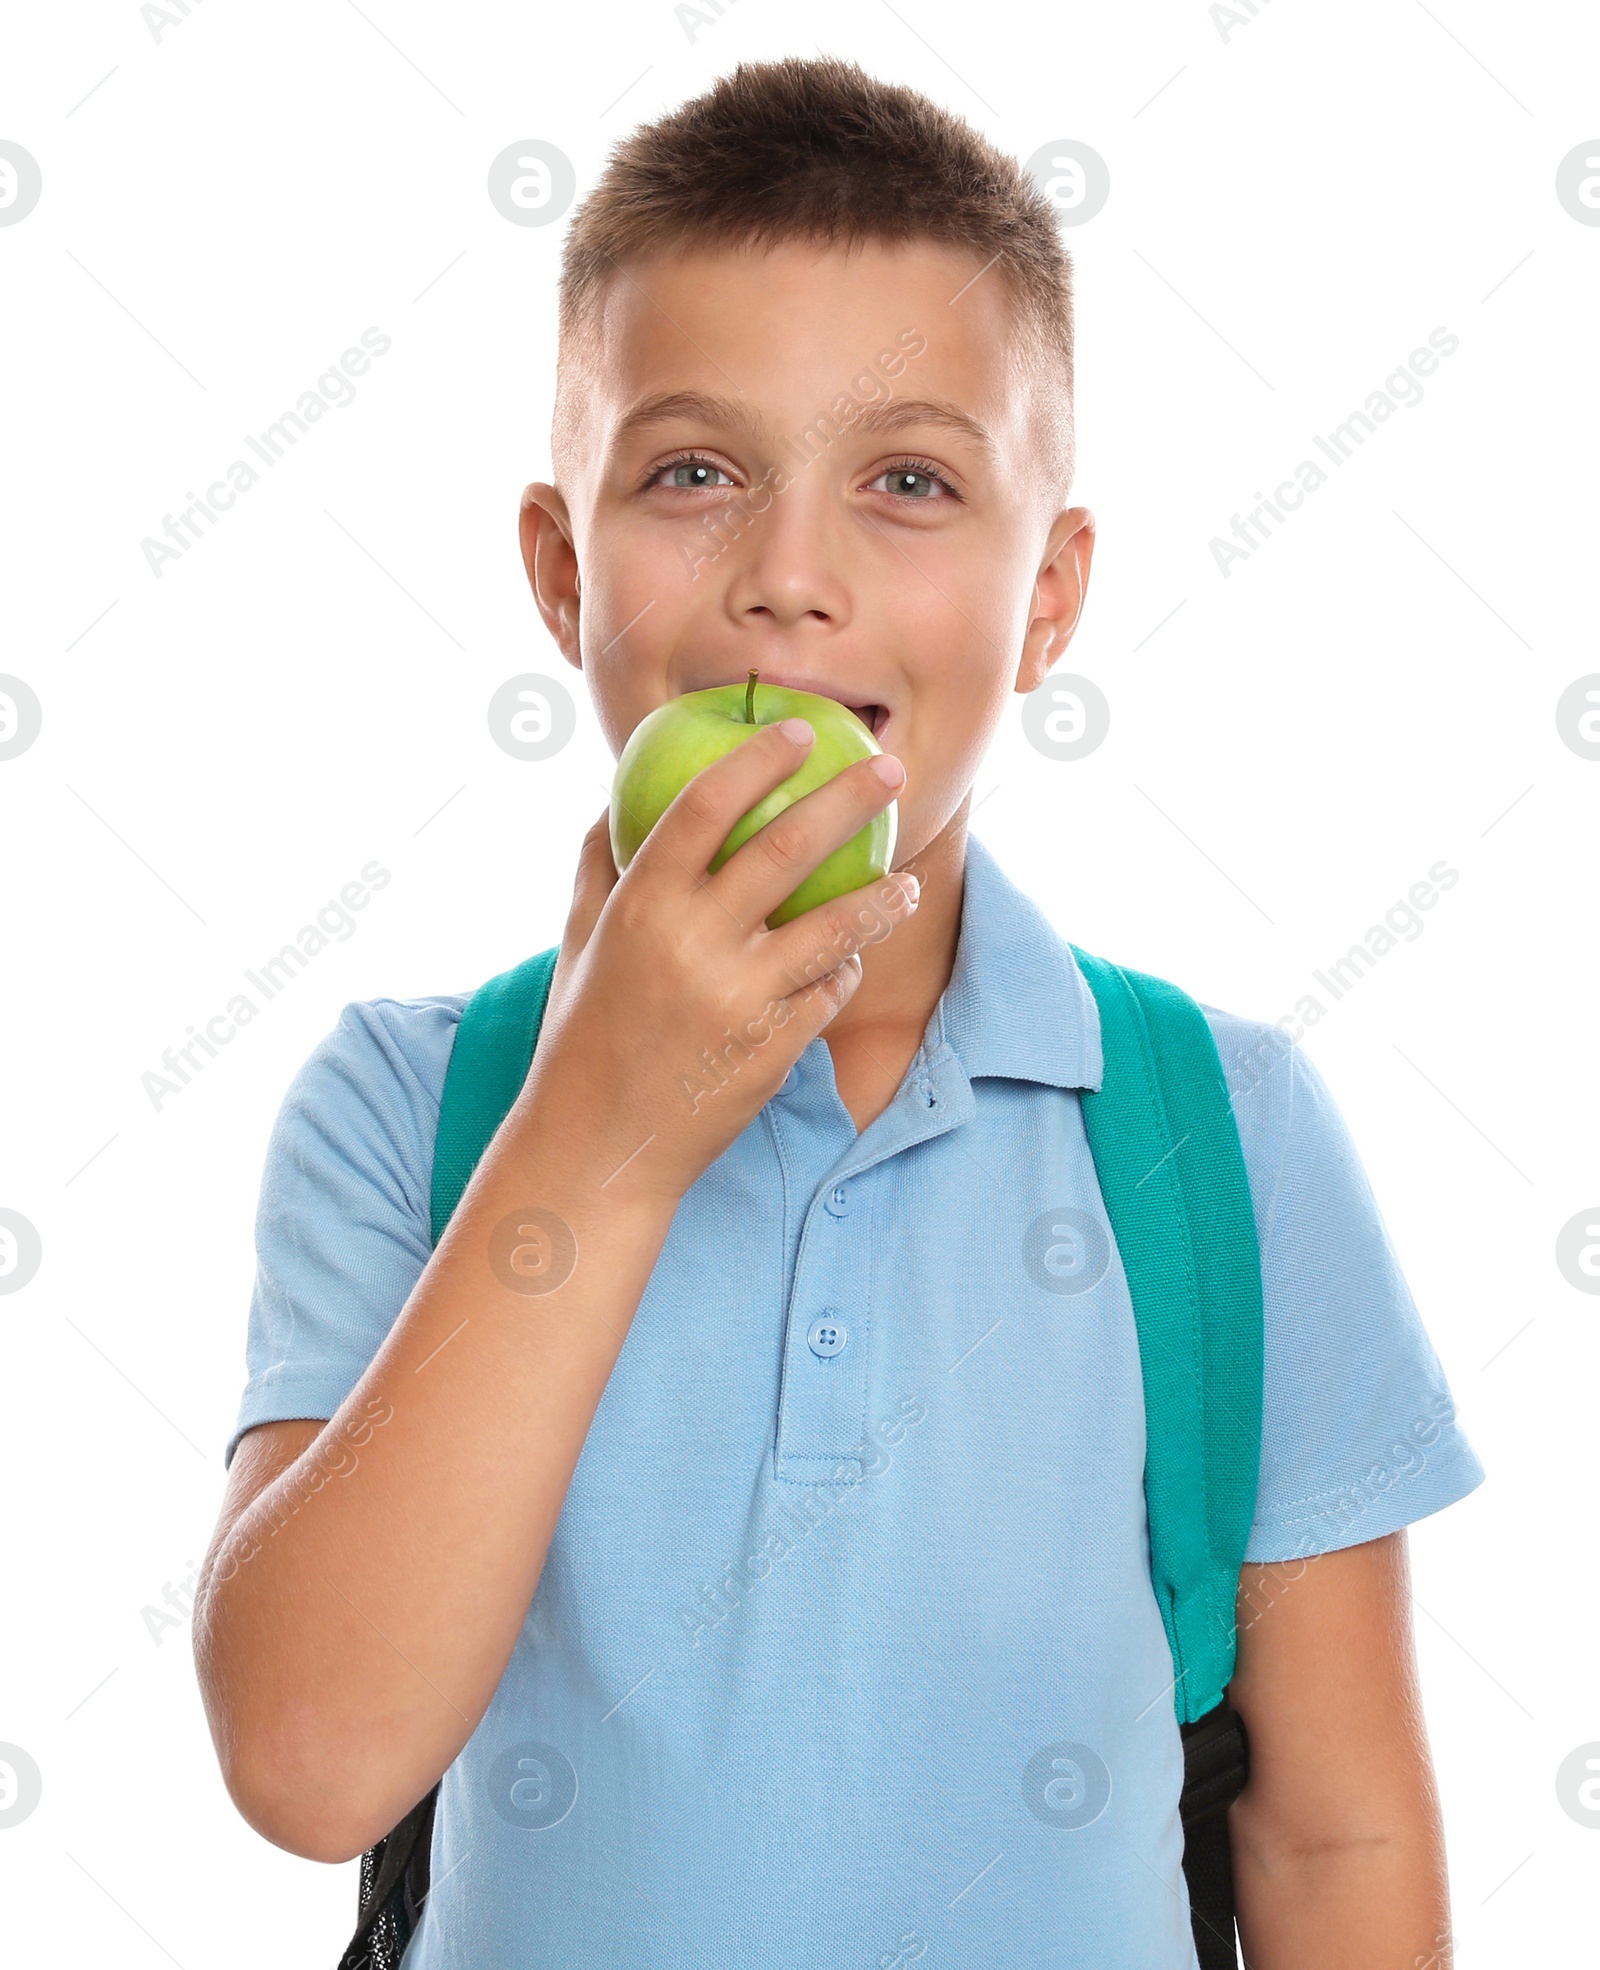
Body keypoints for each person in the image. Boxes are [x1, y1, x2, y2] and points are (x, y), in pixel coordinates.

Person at [193, 56, 1484, 1968]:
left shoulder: (1222, 1126)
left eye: (908, 482)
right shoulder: (411, 1103)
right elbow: (310, 1763)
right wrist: (598, 1137)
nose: (789, 579)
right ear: (561, 571)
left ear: (1048, 602)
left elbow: (1335, 1840)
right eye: (695, 472)